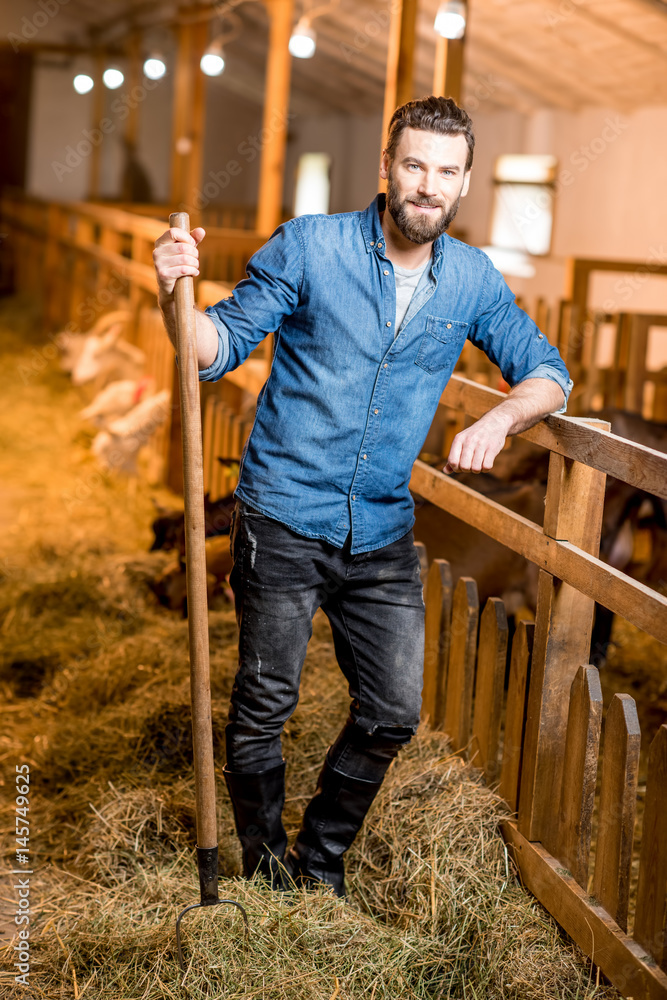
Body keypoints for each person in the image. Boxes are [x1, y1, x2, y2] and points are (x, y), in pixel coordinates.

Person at [153, 96, 572, 898]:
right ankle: (267, 867)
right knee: (264, 700)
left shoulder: (474, 279)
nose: (427, 185)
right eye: (413, 165)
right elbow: (214, 347)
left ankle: (321, 859)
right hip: (280, 516)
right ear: (385, 168)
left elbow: (548, 370)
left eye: (445, 173)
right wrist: (172, 293)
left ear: (464, 183)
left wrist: (504, 415)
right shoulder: (311, 247)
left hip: (379, 530)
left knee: (392, 710)